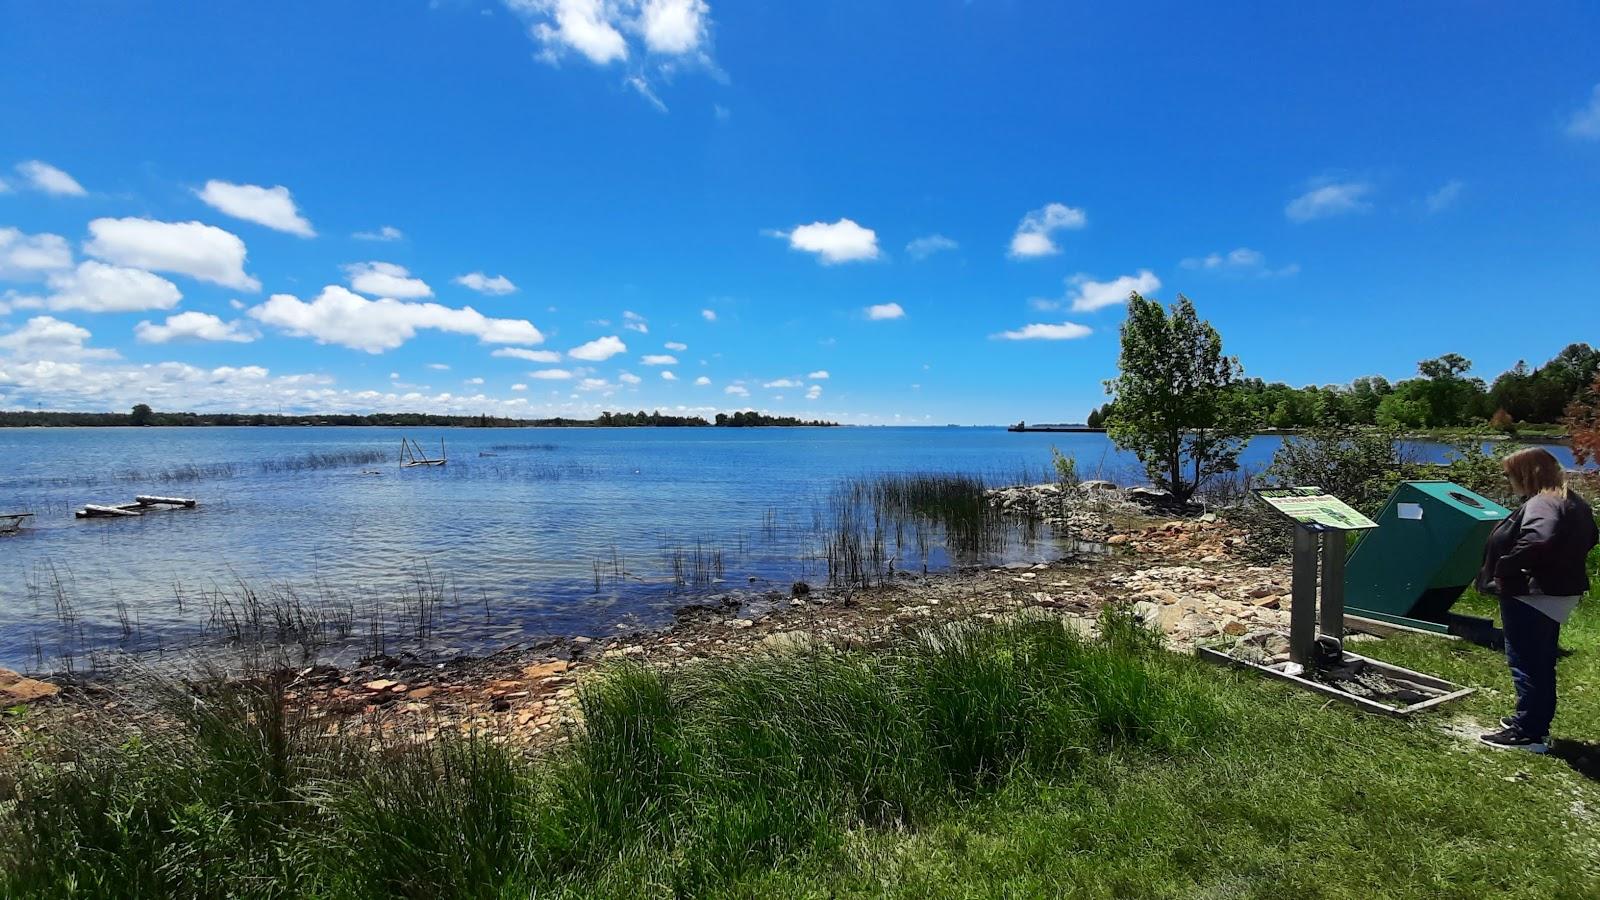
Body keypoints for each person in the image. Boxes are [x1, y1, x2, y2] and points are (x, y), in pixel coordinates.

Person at [1477, 447, 1598, 752]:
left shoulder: (1542, 502)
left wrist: (1506, 567)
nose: (1507, 480)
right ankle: (1532, 718)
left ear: (1526, 473)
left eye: (1509, 474)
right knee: (1540, 661)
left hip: (1533, 592)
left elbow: (1538, 538)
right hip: (1558, 592)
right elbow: (1593, 536)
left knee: (1527, 662)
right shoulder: (1570, 499)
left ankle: (1528, 733)